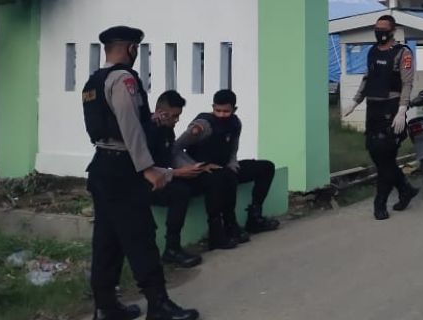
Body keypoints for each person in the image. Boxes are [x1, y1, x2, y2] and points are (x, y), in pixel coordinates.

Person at [81, 25, 198, 320]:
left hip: (102, 166)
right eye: (136, 49)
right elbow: (128, 126)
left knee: (107, 240)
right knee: (140, 235)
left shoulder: (94, 81)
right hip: (124, 169)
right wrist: (148, 168)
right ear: (130, 48)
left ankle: (106, 307)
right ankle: (158, 305)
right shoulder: (124, 78)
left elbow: (108, 125)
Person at [173, 89, 280, 243]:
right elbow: (176, 148)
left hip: (225, 168)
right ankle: (221, 229)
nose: (222, 114)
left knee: (266, 167)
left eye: (226, 111)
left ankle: (255, 217)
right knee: (222, 179)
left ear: (234, 109)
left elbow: (233, 148)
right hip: (202, 172)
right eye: (218, 110)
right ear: (213, 107)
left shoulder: (235, 123)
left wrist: (232, 162)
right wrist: (194, 167)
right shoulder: (202, 126)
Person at [345, 14, 419, 220]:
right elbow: (367, 78)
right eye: (377, 28)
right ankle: (405, 189)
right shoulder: (372, 52)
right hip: (373, 109)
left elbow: (407, 83)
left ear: (393, 31)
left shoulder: (402, 53)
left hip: (392, 109)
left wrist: (402, 110)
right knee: (377, 155)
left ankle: (380, 204)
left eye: (384, 29)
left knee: (386, 157)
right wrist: (355, 101)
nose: (380, 32)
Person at [147, 91, 233, 265]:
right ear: (160, 112)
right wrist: (176, 173)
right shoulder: (146, 130)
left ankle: (217, 231)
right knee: (180, 192)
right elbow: (143, 167)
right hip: (145, 184)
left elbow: (172, 155)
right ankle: (172, 248)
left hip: (166, 177)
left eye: (179, 116)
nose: (177, 120)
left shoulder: (167, 131)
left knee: (213, 177)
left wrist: (198, 167)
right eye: (174, 116)